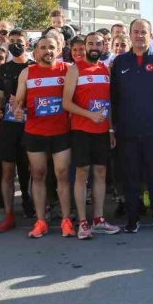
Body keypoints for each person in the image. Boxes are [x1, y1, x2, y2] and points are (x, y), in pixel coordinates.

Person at [110, 19, 153, 233]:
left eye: (143, 32)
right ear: (129, 35)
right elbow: (114, 98)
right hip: (127, 131)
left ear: (150, 35)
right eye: (136, 32)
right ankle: (132, 219)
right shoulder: (119, 63)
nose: (139, 36)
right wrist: (114, 128)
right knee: (131, 177)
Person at [13, 35, 74, 238]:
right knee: (38, 175)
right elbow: (18, 102)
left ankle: (66, 220)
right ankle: (40, 221)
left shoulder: (68, 69)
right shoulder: (27, 72)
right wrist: (17, 110)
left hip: (61, 132)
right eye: (43, 47)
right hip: (35, 132)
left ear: (58, 50)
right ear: (36, 51)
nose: (48, 51)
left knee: (62, 174)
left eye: (51, 47)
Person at [62, 31, 121, 239]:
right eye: (90, 43)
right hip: (81, 130)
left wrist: (111, 128)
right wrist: (89, 115)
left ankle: (98, 219)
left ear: (103, 46)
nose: (94, 47)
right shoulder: (75, 69)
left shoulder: (105, 69)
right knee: (81, 174)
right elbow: (66, 103)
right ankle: (83, 222)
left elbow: (109, 103)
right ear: (85, 46)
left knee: (101, 174)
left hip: (102, 131)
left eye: (98, 44)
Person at [0, 29, 35, 229]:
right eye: (12, 41)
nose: (15, 45)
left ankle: (32, 206)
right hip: (9, 126)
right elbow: (1, 98)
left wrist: (24, 101)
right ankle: (9, 214)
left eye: (19, 41)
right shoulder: (3, 69)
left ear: (26, 44)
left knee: (32, 170)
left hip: (31, 125)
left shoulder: (34, 67)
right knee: (7, 171)